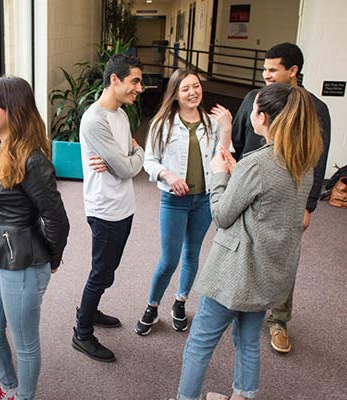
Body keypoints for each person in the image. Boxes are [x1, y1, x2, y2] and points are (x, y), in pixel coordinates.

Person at [176, 83, 323, 400]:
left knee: (200, 341)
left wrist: (220, 175)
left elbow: (222, 215)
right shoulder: (303, 162)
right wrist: (238, 173)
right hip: (268, 272)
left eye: (255, 109)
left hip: (234, 274)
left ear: (264, 118)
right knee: (247, 340)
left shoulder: (257, 164)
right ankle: (243, 396)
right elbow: (268, 206)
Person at [232, 42, 331, 354]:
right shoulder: (252, 99)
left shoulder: (315, 109)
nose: (266, 75)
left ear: (293, 71)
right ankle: (239, 306)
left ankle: (278, 319)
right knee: (240, 249)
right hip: (248, 188)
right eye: (264, 69)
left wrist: (309, 205)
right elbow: (238, 139)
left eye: (272, 70)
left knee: (284, 257)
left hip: (289, 197)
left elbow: (319, 159)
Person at [0, 76, 70, 400]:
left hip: (24, 261)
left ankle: (24, 397)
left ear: (11, 110)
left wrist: (53, 260)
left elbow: (57, 219)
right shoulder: (2, 147)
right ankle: (11, 389)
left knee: (25, 342)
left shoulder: (33, 160)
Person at [136, 69, 232, 336]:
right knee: (169, 259)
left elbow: (223, 159)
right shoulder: (161, 124)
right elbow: (149, 161)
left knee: (192, 255)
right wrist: (167, 174)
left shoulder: (211, 123)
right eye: (186, 88)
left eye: (197, 86)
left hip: (204, 200)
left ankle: (180, 302)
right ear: (175, 94)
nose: (193, 92)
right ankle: (151, 307)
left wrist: (227, 129)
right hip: (173, 201)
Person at [73, 54, 145, 362]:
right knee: (101, 272)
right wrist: (136, 152)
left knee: (108, 271)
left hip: (123, 205)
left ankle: (90, 308)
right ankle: (82, 333)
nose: (139, 89)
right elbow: (128, 167)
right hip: (104, 210)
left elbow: (126, 163)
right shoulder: (94, 119)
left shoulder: (121, 114)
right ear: (114, 80)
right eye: (135, 81)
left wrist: (128, 158)